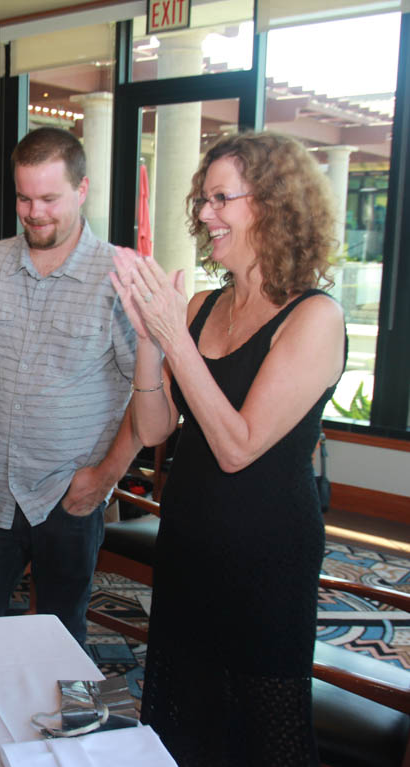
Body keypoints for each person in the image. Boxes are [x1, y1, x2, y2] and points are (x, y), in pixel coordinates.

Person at [108, 131, 345, 765]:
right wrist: (148, 343)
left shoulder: (313, 318)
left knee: (265, 732)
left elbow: (238, 446)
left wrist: (174, 340)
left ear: (272, 203)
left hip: (266, 557)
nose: (206, 214)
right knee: (188, 720)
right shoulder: (202, 305)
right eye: (203, 200)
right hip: (190, 541)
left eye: (221, 198)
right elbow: (156, 431)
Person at [0, 126, 139, 645]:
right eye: (24, 198)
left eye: (49, 197)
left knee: (59, 642)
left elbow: (150, 394)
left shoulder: (121, 279)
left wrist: (107, 476)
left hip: (69, 494)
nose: (34, 212)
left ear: (82, 189)